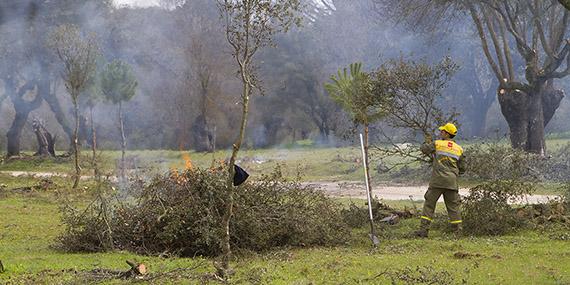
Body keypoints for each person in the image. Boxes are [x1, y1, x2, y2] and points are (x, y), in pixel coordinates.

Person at [413, 123, 466, 237]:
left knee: (429, 205)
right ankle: (457, 233)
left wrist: (427, 141)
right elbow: (463, 168)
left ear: (446, 133)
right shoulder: (459, 149)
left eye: (442, 131)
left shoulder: (437, 144)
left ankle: (423, 231)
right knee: (453, 208)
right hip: (451, 182)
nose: (440, 132)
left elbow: (424, 149)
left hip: (437, 181)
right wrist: (454, 174)